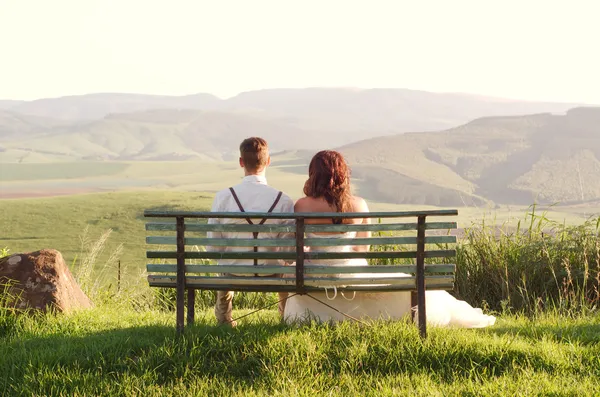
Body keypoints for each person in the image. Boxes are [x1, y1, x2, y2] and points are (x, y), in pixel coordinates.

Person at [284, 150, 496, 328]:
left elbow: (297, 248)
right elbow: (361, 250)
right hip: (351, 271)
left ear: (313, 175)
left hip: (314, 276)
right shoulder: (358, 205)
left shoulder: (302, 206)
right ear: (343, 175)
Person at [208, 137, 294, 327]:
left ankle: (224, 319)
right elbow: (289, 253)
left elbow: (213, 247)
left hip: (233, 273)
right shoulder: (283, 200)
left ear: (241, 162)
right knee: (286, 268)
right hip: (273, 273)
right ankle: (284, 317)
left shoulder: (223, 197)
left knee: (224, 266)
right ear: (268, 161)